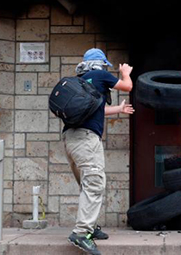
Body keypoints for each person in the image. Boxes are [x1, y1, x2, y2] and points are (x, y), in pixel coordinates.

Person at [63, 48, 134, 255]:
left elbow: (98, 109)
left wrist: (119, 110)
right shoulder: (101, 75)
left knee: (87, 185)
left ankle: (90, 227)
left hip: (70, 140)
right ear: (100, 64)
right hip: (86, 140)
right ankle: (81, 233)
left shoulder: (82, 80)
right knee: (94, 184)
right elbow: (127, 87)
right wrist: (125, 73)